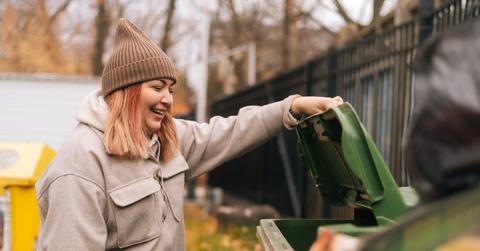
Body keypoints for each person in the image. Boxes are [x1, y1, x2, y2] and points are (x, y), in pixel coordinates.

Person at [35, 18, 343, 250]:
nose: (168, 99)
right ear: (124, 92)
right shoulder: (79, 167)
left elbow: (230, 130)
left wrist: (292, 107)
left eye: (170, 89)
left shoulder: (165, 140)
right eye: (156, 88)